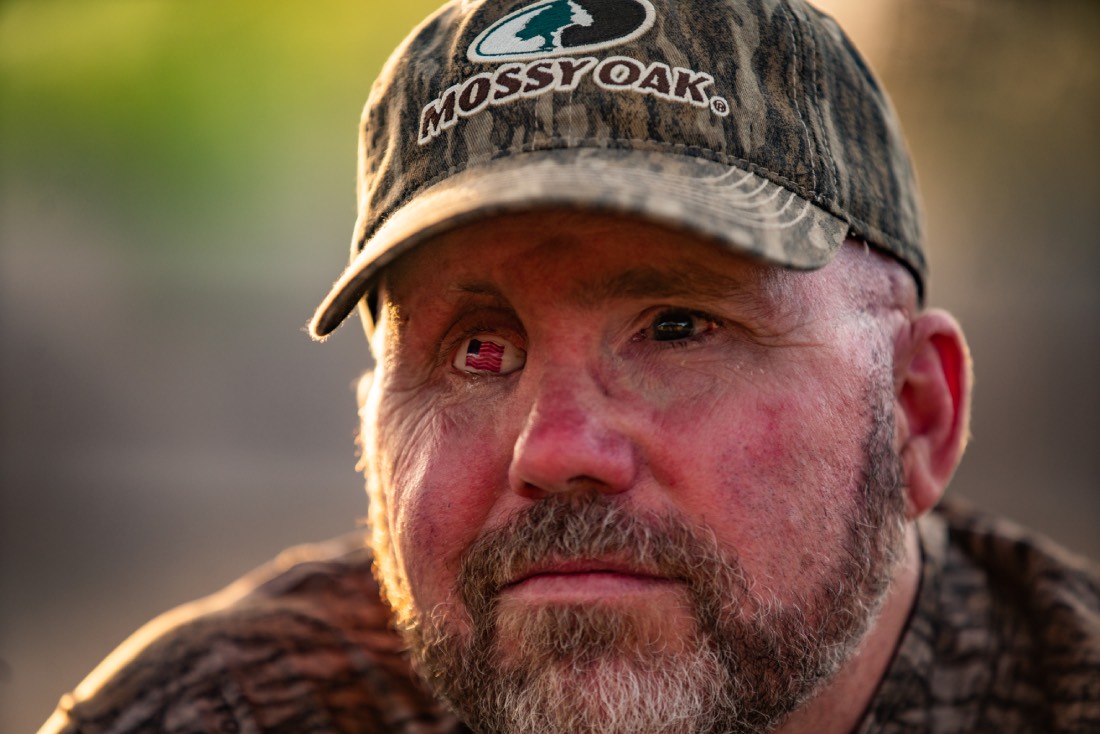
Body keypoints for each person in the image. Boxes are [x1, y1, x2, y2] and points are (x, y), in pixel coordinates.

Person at [40, 1, 1100, 732]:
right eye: (476, 348)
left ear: (915, 413)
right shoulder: (226, 710)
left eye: (678, 326)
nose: (554, 447)